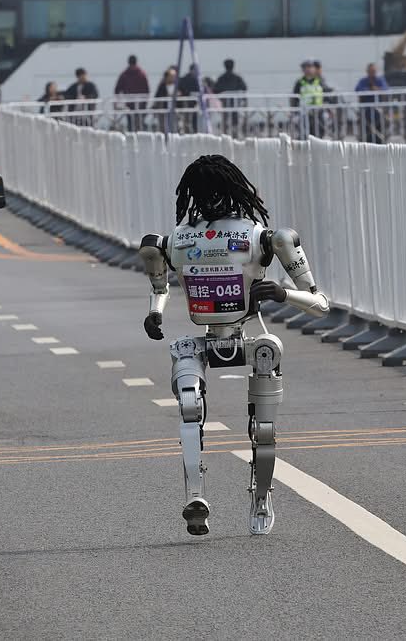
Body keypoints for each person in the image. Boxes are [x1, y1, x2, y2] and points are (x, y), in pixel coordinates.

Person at [137, 154, 330, 536]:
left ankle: (260, 495)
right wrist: (155, 311)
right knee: (190, 405)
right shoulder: (183, 239)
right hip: (211, 334)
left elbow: (320, 303)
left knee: (260, 423)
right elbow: (160, 288)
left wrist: (281, 292)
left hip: (248, 332)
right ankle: (197, 495)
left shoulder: (259, 238)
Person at [355, 63, 389, 144]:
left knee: (383, 124)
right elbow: (358, 89)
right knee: (365, 128)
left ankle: (380, 141)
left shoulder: (380, 80)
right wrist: (369, 90)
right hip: (366, 111)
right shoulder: (363, 81)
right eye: (370, 71)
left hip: (379, 111)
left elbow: (385, 89)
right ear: (367, 71)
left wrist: (377, 89)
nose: (372, 73)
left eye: (374, 71)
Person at [114, 55, 150, 131]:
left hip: (129, 103)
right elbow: (147, 90)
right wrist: (145, 102)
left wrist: (118, 101)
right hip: (141, 103)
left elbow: (117, 89)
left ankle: (131, 138)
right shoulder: (142, 74)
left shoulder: (124, 74)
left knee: (131, 123)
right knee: (140, 123)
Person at [213, 59, 247, 136]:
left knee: (225, 119)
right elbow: (244, 88)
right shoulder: (237, 78)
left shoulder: (221, 78)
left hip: (225, 103)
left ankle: (225, 134)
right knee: (235, 119)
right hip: (235, 103)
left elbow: (215, 90)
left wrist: (221, 96)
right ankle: (235, 134)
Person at [292, 59, 325, 138]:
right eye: (306, 67)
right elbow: (294, 97)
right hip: (304, 111)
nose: (308, 69)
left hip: (318, 111)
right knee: (304, 133)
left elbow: (326, 94)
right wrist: (294, 112)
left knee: (319, 132)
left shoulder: (320, 81)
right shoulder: (299, 82)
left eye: (310, 67)